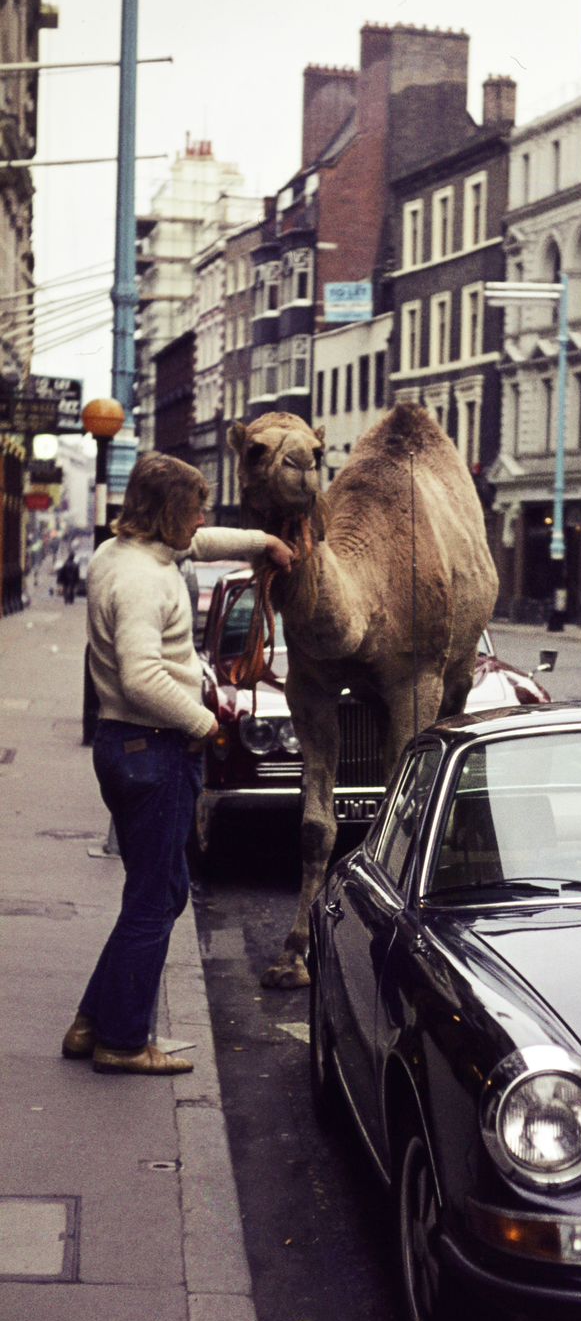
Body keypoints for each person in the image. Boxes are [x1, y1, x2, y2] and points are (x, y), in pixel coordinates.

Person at [61, 452, 294, 1075]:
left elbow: (205, 542)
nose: (201, 520)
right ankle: (123, 1041)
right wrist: (205, 725)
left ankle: (93, 1022)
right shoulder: (142, 579)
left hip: (134, 748)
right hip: (153, 747)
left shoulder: (129, 552)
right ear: (168, 513)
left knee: (159, 893)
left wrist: (262, 542)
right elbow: (140, 677)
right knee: (153, 900)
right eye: (194, 509)